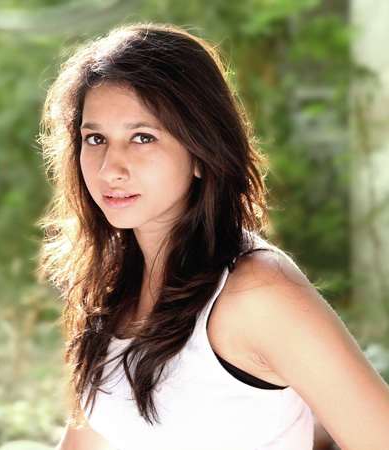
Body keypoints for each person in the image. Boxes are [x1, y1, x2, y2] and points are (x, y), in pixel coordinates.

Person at [35, 22, 389, 450]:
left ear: (201, 152)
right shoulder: (111, 291)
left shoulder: (257, 291)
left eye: (142, 137)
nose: (111, 167)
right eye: (95, 139)